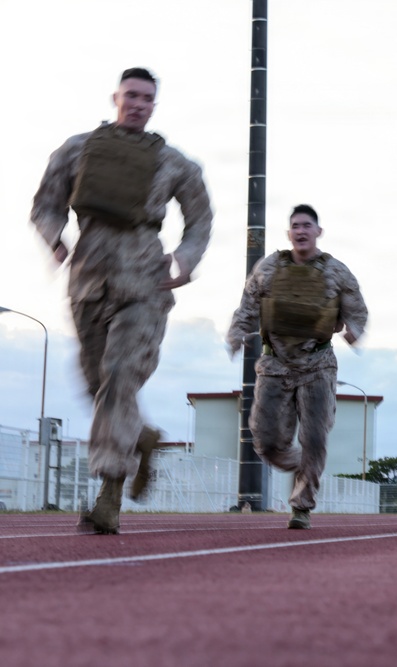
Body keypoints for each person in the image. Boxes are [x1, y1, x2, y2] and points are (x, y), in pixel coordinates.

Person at [30, 67, 213, 535]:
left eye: (147, 98)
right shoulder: (77, 149)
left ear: (154, 105)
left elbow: (200, 217)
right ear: (116, 97)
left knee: (118, 377)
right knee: (96, 384)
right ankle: (143, 437)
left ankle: (108, 498)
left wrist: (186, 258)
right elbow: (45, 204)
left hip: (144, 284)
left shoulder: (173, 162)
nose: (138, 104)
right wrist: (55, 238)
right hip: (87, 281)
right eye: (131, 95)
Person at [227, 204, 368, 529]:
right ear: (289, 233)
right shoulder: (269, 267)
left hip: (317, 365)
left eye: (307, 225)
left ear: (318, 231)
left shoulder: (336, 271)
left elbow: (357, 309)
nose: (301, 231)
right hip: (275, 364)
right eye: (295, 226)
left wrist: (354, 331)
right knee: (266, 442)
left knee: (315, 437)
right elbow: (248, 305)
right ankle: (306, 464)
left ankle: (302, 506)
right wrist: (236, 334)